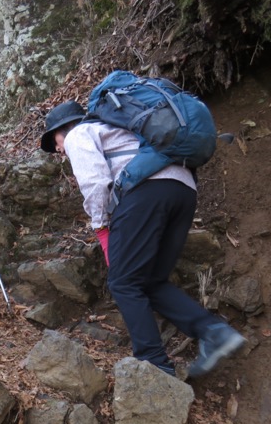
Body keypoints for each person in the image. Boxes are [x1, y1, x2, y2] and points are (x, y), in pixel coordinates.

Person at [40, 100, 246, 378]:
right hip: (183, 191)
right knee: (149, 281)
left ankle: (154, 364)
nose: (59, 150)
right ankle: (214, 332)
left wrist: (101, 227)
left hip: (145, 192)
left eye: (55, 142)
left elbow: (95, 182)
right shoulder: (119, 128)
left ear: (63, 130)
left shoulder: (80, 133)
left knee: (123, 282)